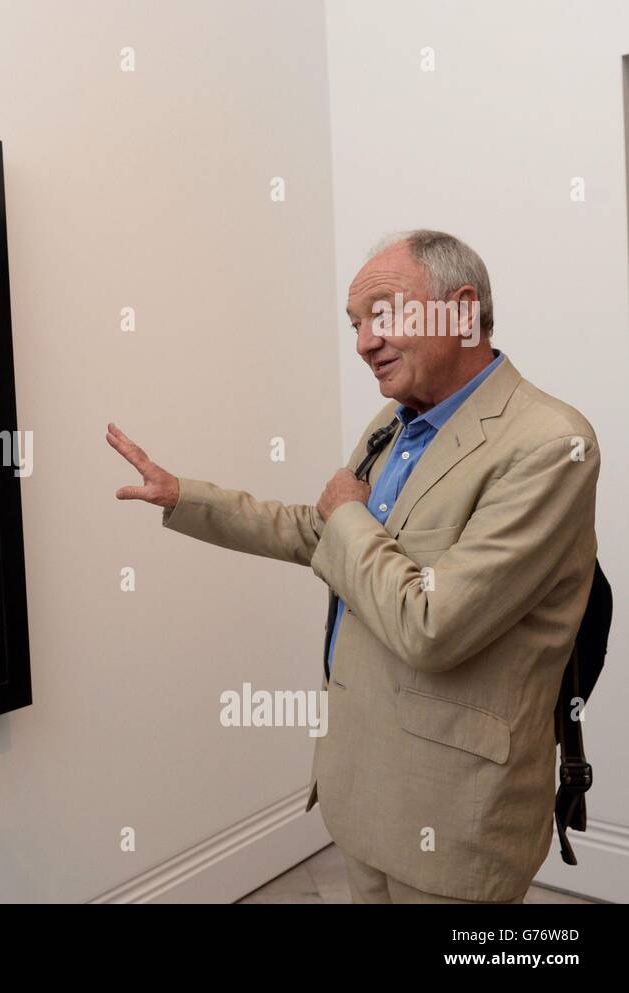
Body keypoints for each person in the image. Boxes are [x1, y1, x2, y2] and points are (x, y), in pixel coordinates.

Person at [108, 230, 600, 903]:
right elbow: (324, 536)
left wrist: (345, 515)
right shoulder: (393, 422)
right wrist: (185, 496)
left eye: (385, 314)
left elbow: (432, 623)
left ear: (459, 312)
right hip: (362, 791)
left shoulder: (550, 442)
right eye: (356, 324)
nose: (365, 341)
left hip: (454, 817)